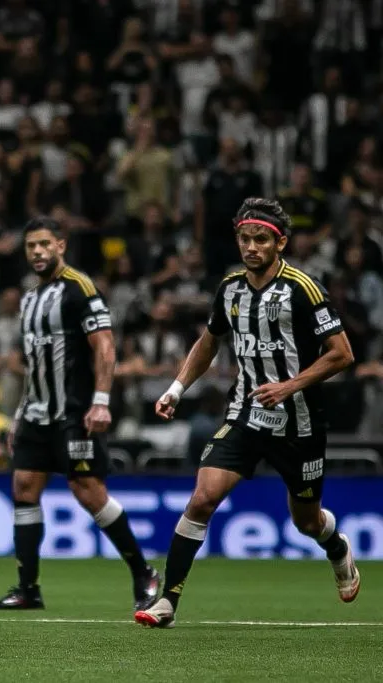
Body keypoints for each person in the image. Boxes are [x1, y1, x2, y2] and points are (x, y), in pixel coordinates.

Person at [135, 198, 361, 629]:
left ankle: (337, 548)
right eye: (245, 238)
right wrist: (177, 388)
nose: (251, 247)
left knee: (307, 521)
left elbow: (342, 355)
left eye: (261, 239)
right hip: (245, 414)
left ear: (281, 244)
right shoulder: (231, 288)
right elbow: (209, 341)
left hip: (300, 423)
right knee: (202, 499)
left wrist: (289, 385)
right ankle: (167, 602)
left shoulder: (303, 289)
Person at [0, 217, 160, 613]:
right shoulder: (29, 298)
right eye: (31, 246)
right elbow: (36, 364)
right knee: (24, 487)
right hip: (37, 412)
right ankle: (28, 588)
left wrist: (101, 400)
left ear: (61, 245)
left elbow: (106, 346)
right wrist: (19, 416)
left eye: (45, 244)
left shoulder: (80, 289)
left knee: (88, 493)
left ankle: (142, 570)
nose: (38, 252)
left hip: (75, 412)